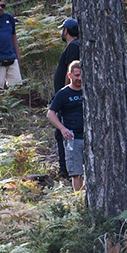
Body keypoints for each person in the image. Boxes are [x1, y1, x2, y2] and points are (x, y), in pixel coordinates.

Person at [48, 61, 86, 190]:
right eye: (76, 75)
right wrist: (62, 129)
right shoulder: (63, 94)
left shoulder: (90, 91)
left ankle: (88, 197)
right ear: (70, 75)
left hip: (91, 137)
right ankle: (78, 198)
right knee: (76, 172)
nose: (79, 78)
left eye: (81, 75)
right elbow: (50, 113)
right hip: (73, 138)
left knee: (93, 170)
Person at [52, 17, 81, 93]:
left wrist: (66, 92)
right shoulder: (75, 45)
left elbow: (71, 70)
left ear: (66, 31)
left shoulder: (73, 46)